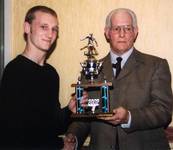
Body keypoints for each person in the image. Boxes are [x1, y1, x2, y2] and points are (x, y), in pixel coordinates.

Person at [64, 8, 173, 150]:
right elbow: (85, 115)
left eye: (127, 28)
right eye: (116, 28)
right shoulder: (91, 69)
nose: (122, 34)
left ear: (135, 32)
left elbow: (163, 111)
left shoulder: (156, 65)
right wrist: (74, 137)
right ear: (107, 32)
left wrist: (129, 117)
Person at [0, 5, 87, 149]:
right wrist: (60, 144)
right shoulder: (15, 71)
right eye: (44, 27)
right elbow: (15, 135)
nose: (50, 34)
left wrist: (69, 111)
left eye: (54, 29)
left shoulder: (51, 74)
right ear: (27, 28)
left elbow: (51, 125)